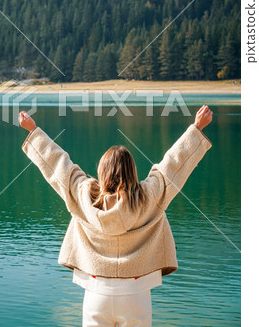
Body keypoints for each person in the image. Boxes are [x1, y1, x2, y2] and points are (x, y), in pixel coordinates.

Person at [19, 105, 213, 326]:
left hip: (96, 291)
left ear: (102, 171)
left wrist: (33, 131)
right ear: (132, 170)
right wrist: (196, 128)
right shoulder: (149, 196)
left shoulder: (84, 195)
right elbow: (173, 164)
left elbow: (59, 165)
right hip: (136, 293)